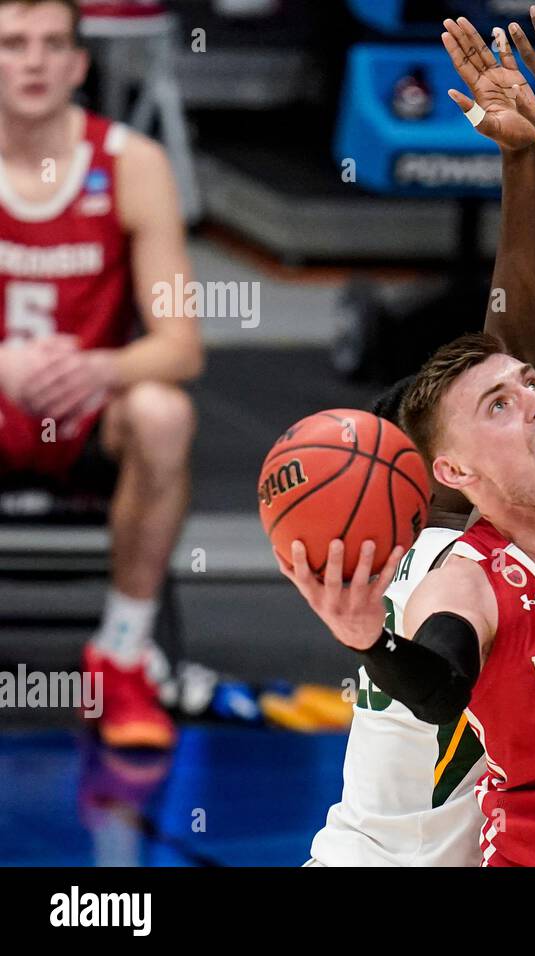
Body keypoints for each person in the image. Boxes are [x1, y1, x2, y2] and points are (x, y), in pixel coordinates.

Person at [300, 9, 535, 866]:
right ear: (442, 470)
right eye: (493, 412)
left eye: (521, 399)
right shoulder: (444, 561)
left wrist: (526, 156)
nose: (534, 404)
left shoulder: (490, 526)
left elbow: (527, 356)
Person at [0, 0, 201, 749]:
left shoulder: (132, 164)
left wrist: (97, 365)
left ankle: (121, 655)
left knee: (164, 411)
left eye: (53, 44)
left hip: (89, 414)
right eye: (13, 43)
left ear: (79, 65)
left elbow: (181, 344)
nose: (34, 61)